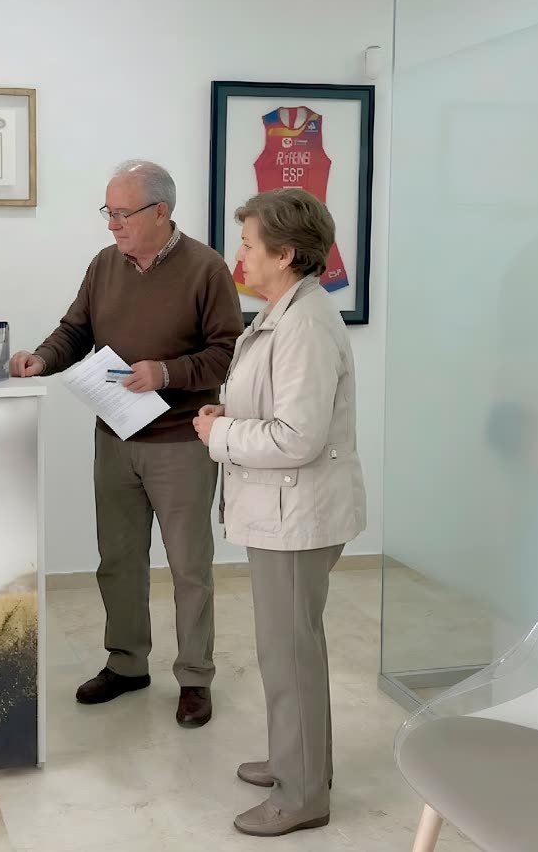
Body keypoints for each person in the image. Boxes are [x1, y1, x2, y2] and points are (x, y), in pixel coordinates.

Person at [10, 160, 243, 728]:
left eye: (122, 214)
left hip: (181, 441)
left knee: (189, 567)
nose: (112, 225)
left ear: (160, 212)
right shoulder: (104, 266)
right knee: (117, 559)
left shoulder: (206, 269)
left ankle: (194, 678)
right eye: (107, 213)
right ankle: (127, 663)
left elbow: (228, 351)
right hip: (114, 435)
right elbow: (75, 331)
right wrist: (43, 358)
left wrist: (166, 373)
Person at [192, 188, 366, 838]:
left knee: (289, 653)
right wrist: (226, 419)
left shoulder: (306, 325)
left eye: (247, 244)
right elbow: (271, 410)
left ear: (285, 254)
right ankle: (299, 764)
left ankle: (301, 795)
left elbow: (298, 436)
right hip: (282, 510)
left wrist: (219, 437)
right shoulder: (282, 313)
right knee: (289, 650)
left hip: (298, 517)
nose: (239, 253)